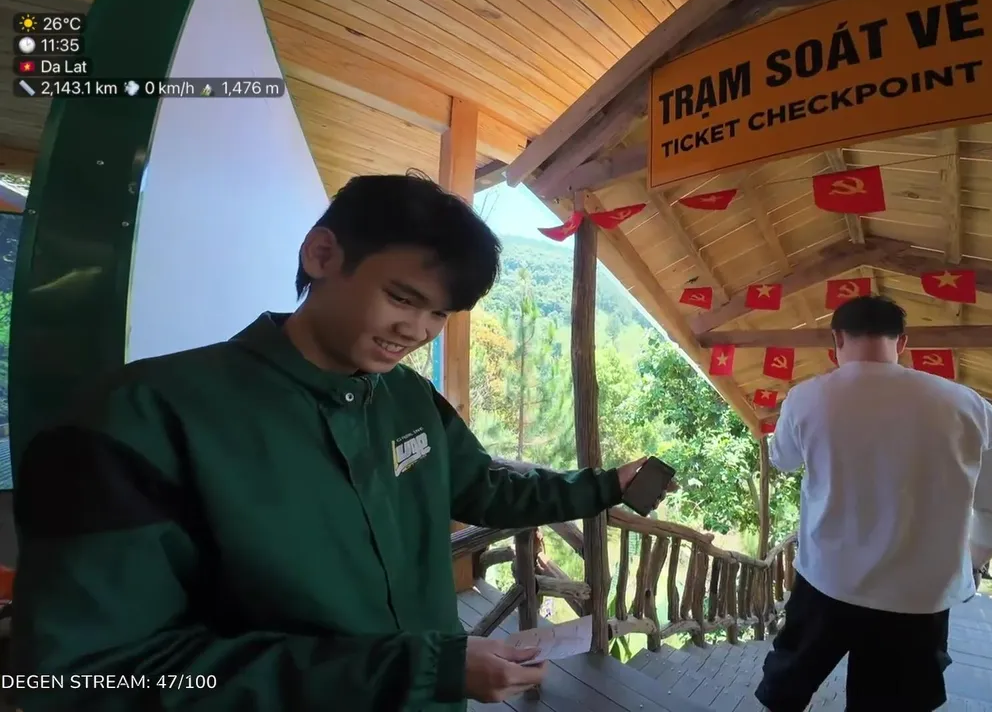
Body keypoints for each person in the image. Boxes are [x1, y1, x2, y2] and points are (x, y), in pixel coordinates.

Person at [11, 173, 672, 711]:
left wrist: (606, 486)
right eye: (402, 297)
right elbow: (91, 675)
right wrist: (415, 671)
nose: (417, 330)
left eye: (439, 313)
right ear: (322, 255)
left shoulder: (408, 400)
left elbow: (486, 487)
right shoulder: (143, 419)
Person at [753, 295, 992, 712]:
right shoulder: (968, 407)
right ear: (901, 342)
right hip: (919, 596)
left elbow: (783, 459)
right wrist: (964, 560)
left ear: (837, 339)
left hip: (827, 578)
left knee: (787, 687)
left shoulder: (807, 398)